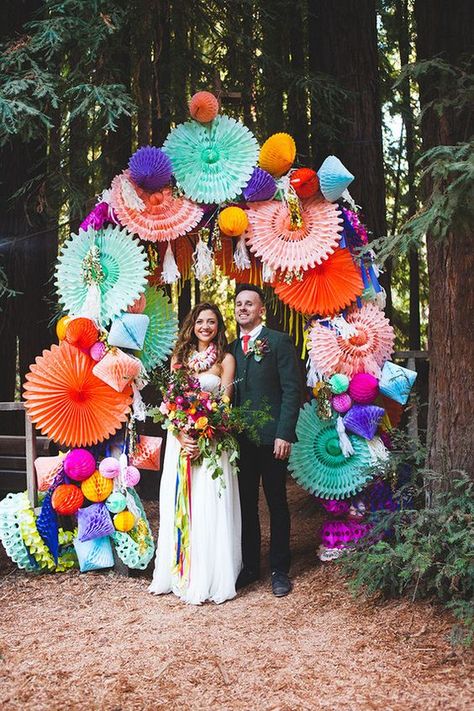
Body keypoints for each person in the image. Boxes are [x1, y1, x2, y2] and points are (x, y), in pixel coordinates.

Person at [149, 303, 242, 604]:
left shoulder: (225, 359)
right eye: (200, 321)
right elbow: (170, 401)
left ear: (218, 326)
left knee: (209, 502)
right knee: (184, 501)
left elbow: (226, 400)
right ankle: (179, 571)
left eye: (211, 321)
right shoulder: (180, 358)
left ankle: (211, 574)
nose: (205, 326)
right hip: (182, 440)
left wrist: (206, 426)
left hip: (212, 439)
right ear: (192, 325)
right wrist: (181, 433)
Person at [229, 285, 302, 597]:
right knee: (245, 503)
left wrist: (285, 432)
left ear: (261, 310)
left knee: (276, 502)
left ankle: (279, 569)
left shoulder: (278, 342)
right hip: (240, 441)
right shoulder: (231, 349)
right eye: (239, 304)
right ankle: (249, 566)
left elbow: (292, 390)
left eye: (249, 304)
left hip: (273, 439)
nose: (243, 308)